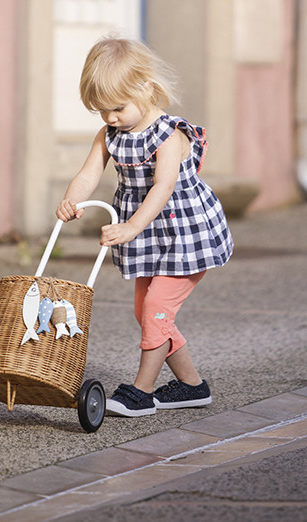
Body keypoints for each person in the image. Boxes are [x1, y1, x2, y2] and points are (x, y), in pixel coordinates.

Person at [56, 37, 233, 416]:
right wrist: (73, 199)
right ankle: (191, 386)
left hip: (184, 235)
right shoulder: (110, 135)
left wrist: (132, 226)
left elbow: (163, 187)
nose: (110, 118)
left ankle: (142, 391)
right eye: (101, 111)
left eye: (118, 108)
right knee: (147, 313)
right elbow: (88, 174)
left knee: (156, 307)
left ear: (147, 90)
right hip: (148, 237)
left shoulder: (169, 135)